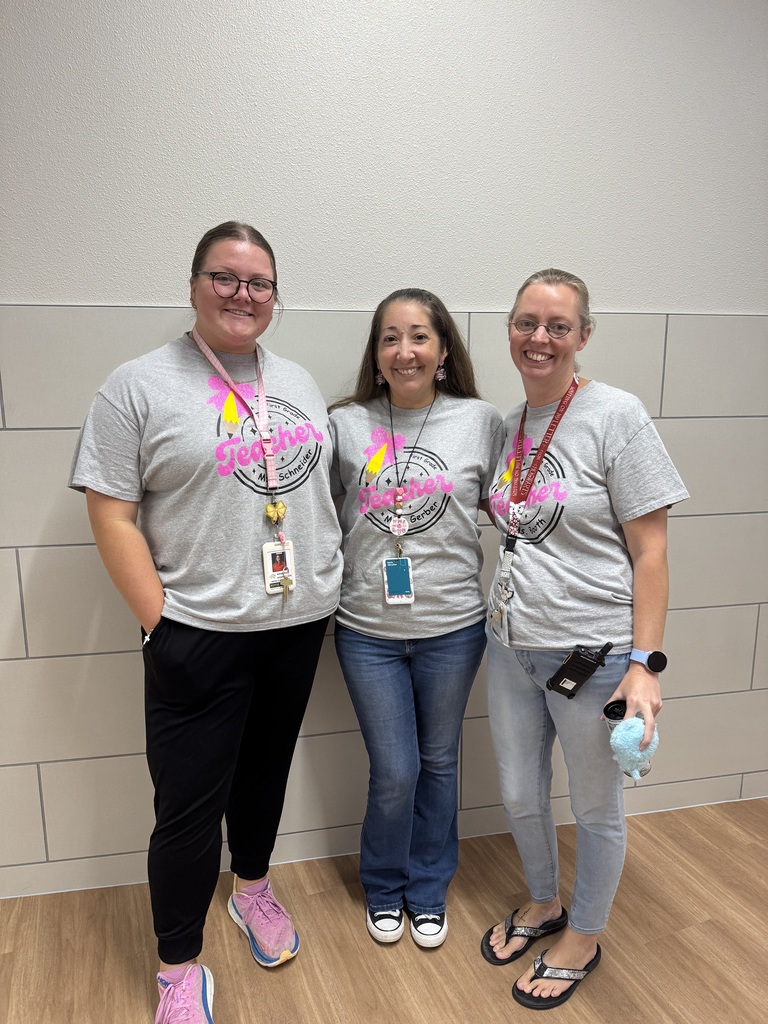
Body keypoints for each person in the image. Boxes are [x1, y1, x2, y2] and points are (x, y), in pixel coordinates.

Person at [69, 222, 342, 1024]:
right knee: (187, 808)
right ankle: (177, 967)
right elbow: (112, 514)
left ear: (274, 298)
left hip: (293, 628)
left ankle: (252, 889)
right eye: (226, 278)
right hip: (197, 634)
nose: (243, 295)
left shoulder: (292, 378)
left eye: (259, 284)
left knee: (263, 776)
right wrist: (162, 625)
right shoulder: (137, 385)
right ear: (193, 285)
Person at [480, 269, 688, 1009]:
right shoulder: (510, 426)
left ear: (583, 336)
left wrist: (644, 666)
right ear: (509, 329)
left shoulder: (616, 416)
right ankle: (544, 902)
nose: (540, 339)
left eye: (557, 326)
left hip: (591, 655)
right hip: (508, 646)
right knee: (517, 793)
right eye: (526, 323)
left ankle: (586, 934)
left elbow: (653, 552)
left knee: (596, 809)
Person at [329, 288, 504, 948]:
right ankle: (384, 885)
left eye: (419, 336)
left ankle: (429, 890)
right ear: (376, 356)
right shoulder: (344, 424)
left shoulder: (481, 420)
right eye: (390, 338)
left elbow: (515, 506)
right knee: (395, 770)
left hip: (454, 629)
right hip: (366, 631)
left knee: (438, 764)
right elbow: (315, 518)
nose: (405, 350)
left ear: (443, 350)